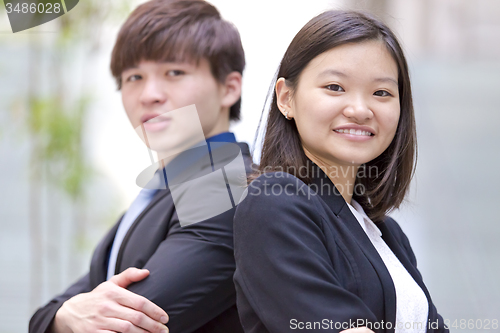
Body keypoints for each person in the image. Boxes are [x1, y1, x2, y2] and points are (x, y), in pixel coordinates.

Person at [29, 1, 251, 332]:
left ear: (229, 88)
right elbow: (48, 315)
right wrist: (66, 316)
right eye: (134, 76)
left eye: (174, 72)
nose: (149, 94)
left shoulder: (224, 184)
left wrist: (69, 315)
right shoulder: (160, 192)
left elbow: (130, 322)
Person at [233, 10, 449, 333]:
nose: (360, 110)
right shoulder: (273, 203)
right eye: (335, 87)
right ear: (286, 98)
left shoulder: (388, 235)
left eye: (382, 93)